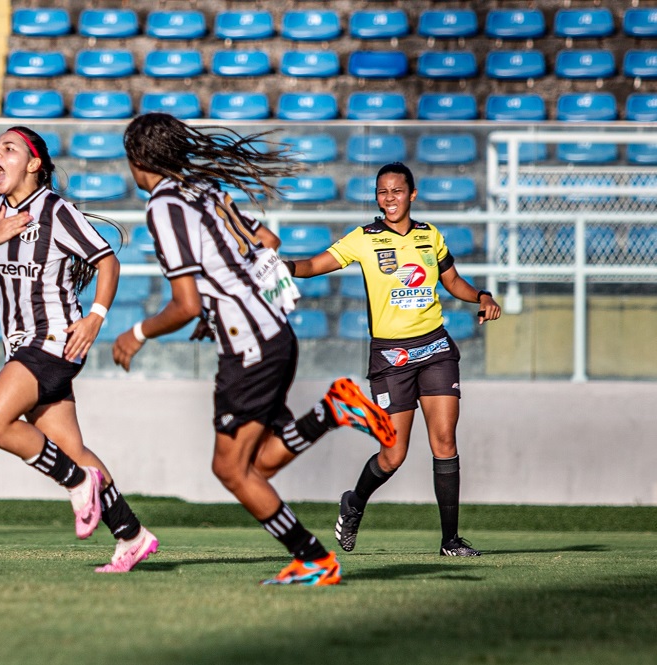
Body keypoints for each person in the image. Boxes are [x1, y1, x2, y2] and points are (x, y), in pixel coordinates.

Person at [113, 112, 396, 587]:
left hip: (249, 348)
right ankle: (331, 412)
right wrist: (223, 306)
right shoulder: (203, 192)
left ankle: (313, 558)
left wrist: (136, 333)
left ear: (141, 159)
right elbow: (265, 240)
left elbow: (183, 303)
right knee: (256, 465)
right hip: (274, 334)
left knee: (230, 468)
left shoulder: (163, 204)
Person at [0, 126, 158, 573]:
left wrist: (96, 316)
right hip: (21, 347)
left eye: (8, 149)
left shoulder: (55, 211)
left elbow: (107, 260)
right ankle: (132, 534)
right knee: (70, 446)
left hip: (55, 340)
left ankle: (77, 482)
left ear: (34, 163)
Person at [284, 161, 502, 557]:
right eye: (382, 192)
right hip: (391, 357)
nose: (389, 199)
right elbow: (315, 265)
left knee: (444, 440)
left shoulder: (428, 235)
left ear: (412, 194)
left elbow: (452, 281)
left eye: (397, 191)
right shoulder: (364, 239)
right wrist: (283, 268)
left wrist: (482, 296)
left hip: (435, 349)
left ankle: (450, 541)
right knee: (394, 454)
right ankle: (354, 502)